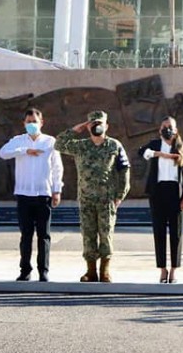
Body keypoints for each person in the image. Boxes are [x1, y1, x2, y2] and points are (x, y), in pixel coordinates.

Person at [55, 110, 131, 283]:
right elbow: (58, 143)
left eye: (100, 123)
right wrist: (77, 129)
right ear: (88, 126)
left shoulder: (114, 145)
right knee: (88, 235)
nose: (97, 126)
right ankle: (91, 271)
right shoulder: (81, 145)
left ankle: (105, 271)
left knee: (106, 235)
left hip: (107, 199)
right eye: (93, 124)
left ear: (107, 126)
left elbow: (125, 170)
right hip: (86, 199)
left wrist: (119, 195)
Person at [0, 108, 64, 282]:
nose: (32, 125)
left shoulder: (50, 142)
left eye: (35, 121)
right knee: (26, 235)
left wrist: (57, 190)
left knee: (44, 235)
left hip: (43, 193)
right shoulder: (18, 141)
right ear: (24, 123)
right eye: (29, 122)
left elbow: (57, 168)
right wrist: (24, 150)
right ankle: (25, 270)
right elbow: (3, 153)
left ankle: (43, 270)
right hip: (24, 193)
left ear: (41, 122)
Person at [138, 117, 183, 283]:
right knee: (159, 231)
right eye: (164, 127)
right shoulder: (155, 144)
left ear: (176, 130)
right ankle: (162, 270)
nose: (167, 129)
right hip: (158, 192)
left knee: (176, 233)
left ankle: (174, 270)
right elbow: (142, 152)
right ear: (159, 129)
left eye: (170, 127)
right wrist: (161, 154)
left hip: (176, 193)